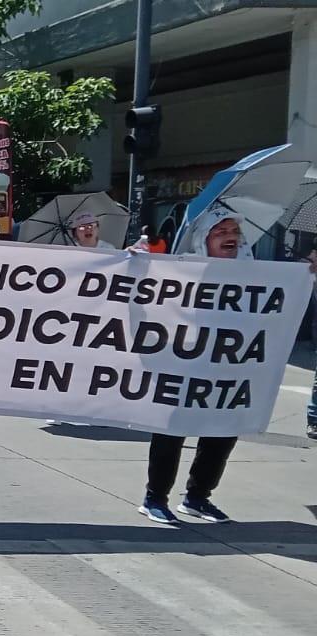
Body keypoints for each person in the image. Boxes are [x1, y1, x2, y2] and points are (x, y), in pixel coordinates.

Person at [135, 208, 253, 525]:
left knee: (223, 433)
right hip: (183, 364)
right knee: (172, 431)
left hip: (229, 368)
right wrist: (139, 262)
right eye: (221, 231)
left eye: (234, 232)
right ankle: (155, 498)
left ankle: (198, 497)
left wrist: (306, 275)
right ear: (203, 241)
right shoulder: (183, 271)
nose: (230, 236)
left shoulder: (256, 275)